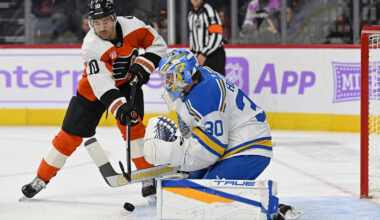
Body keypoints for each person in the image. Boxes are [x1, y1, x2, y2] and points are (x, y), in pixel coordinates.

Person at [21, 0, 167, 199]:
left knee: (134, 128)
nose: (102, 27)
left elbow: (157, 44)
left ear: (114, 18)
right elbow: (102, 85)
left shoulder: (134, 26)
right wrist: (120, 108)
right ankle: (41, 178)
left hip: (126, 85)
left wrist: (144, 64)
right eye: (96, 23)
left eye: (105, 22)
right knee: (68, 137)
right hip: (92, 91)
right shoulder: (91, 46)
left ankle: (147, 176)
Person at [143, 48, 272, 181]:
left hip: (248, 148)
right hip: (232, 141)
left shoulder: (205, 95)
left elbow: (214, 149)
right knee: (193, 182)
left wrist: (178, 157)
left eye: (170, 76)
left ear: (184, 74)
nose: (166, 82)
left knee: (204, 192)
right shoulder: (194, 82)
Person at [188, 0, 226, 76]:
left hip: (214, 55)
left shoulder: (210, 11)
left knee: (215, 85)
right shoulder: (190, 14)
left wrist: (204, 54)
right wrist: (192, 54)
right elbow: (192, 37)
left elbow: (217, 35)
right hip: (198, 57)